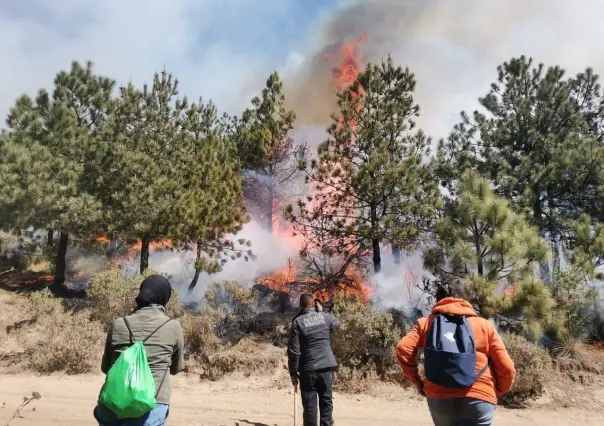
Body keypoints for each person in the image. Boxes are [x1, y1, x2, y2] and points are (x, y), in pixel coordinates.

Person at [396, 286, 516, 426]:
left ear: (439, 300)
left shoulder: (426, 323)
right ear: (466, 300)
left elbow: (402, 348)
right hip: (479, 398)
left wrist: (417, 381)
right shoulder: (484, 326)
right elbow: (507, 369)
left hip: (439, 398)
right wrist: (496, 391)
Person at [94, 275, 185, 426]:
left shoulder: (119, 324)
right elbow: (176, 369)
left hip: (112, 406)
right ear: (165, 298)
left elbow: (106, 368)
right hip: (151, 407)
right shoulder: (173, 326)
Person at [288, 294, 339, 426]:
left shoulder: (297, 322)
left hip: (308, 369)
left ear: (300, 305)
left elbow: (294, 351)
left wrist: (293, 372)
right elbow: (336, 325)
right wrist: (322, 312)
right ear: (314, 304)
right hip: (326, 367)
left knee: (310, 405)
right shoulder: (325, 317)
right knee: (326, 401)